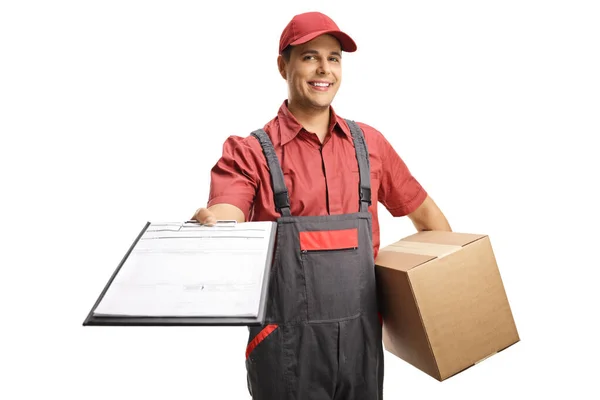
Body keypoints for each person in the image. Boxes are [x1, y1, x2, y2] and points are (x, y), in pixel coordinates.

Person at [192, 11, 452, 400]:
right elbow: (229, 210)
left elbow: (430, 221)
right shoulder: (250, 153)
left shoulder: (370, 146)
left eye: (334, 58)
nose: (324, 69)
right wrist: (215, 221)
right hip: (285, 348)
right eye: (310, 56)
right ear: (284, 66)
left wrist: (446, 298)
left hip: (361, 346)